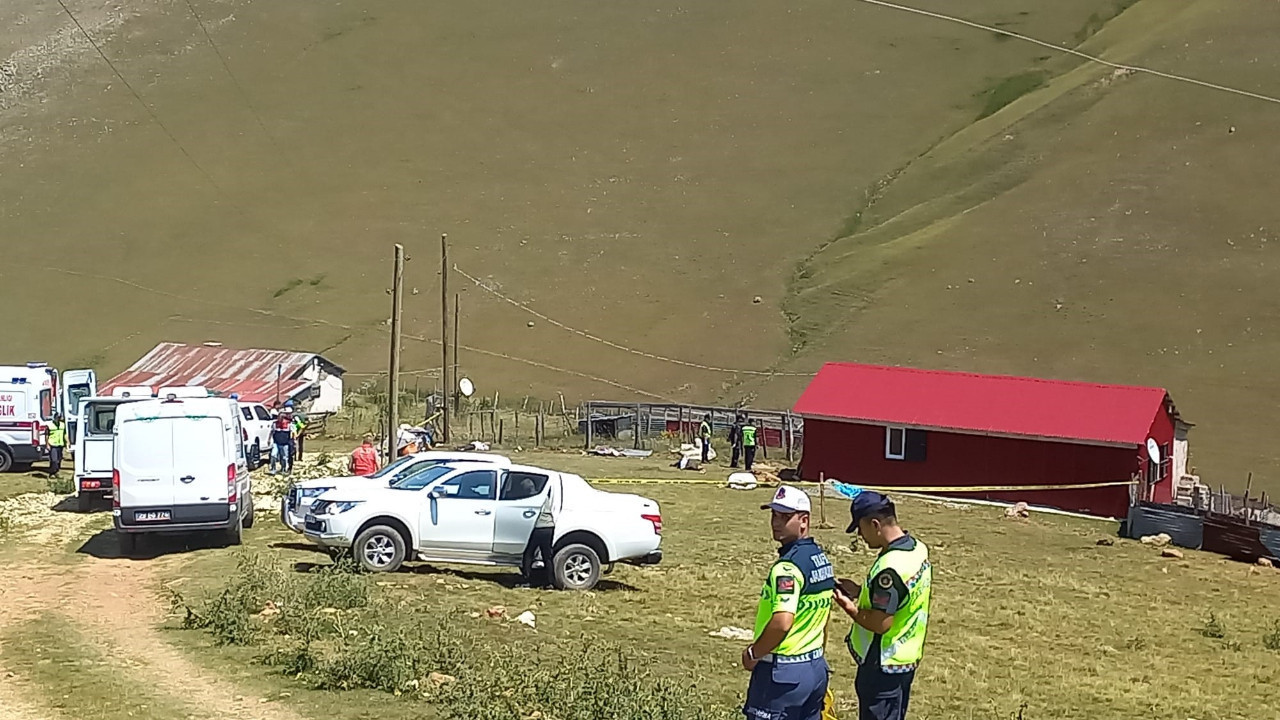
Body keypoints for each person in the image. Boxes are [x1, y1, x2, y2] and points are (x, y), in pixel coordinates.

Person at [833, 492, 932, 720]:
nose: (860, 535)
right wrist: (860, 591)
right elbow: (902, 598)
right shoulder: (916, 549)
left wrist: (850, 607)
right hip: (905, 659)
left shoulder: (890, 568)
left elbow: (880, 623)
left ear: (875, 524)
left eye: (860, 527)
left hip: (882, 665)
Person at [742, 485, 834, 720]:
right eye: (774, 514)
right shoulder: (820, 559)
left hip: (782, 673)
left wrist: (754, 653)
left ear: (804, 520)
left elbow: (782, 622)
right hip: (814, 667)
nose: (776, 522)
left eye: (785, 516)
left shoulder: (788, 567)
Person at [522, 480, 556, 587]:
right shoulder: (543, 495)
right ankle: (550, 582)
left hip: (538, 527)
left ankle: (527, 579)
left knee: (528, 554)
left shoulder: (531, 497)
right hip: (549, 526)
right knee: (547, 556)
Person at [270, 409, 293, 475]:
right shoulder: (274, 424)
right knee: (273, 455)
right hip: (276, 443)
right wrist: (269, 440)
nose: (280, 418)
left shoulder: (288, 424)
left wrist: (292, 441)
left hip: (285, 443)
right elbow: (271, 432)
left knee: (284, 457)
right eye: (279, 416)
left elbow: (292, 433)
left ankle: (283, 469)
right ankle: (273, 469)